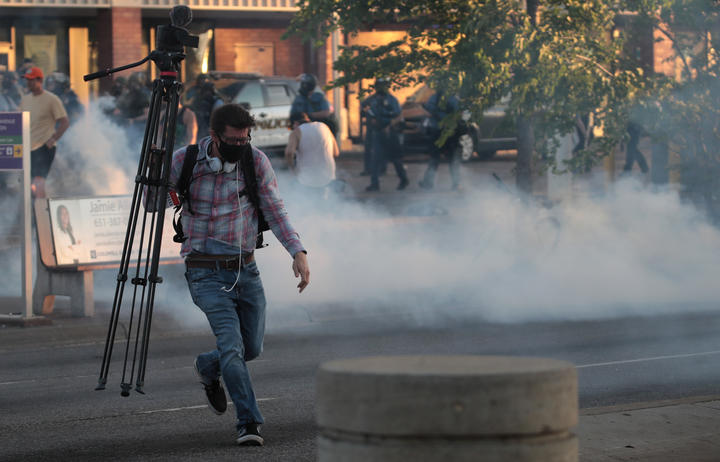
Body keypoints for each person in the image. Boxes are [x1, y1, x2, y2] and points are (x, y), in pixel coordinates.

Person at [167, 103, 310, 446]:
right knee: (232, 347)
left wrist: (298, 251)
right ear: (214, 137)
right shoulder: (184, 161)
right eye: (232, 140)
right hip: (204, 272)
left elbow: (275, 210)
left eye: (245, 139)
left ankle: (207, 366)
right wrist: (156, 179)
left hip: (246, 270)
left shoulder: (254, 160)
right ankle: (249, 423)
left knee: (251, 348)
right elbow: (148, 202)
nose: (239, 145)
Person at [19, 67, 69, 198]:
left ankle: (40, 214)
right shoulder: (25, 99)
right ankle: (32, 213)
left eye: (31, 80)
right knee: (27, 184)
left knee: (38, 182)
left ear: (40, 80)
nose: (28, 83)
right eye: (27, 80)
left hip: (43, 147)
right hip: (27, 148)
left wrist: (53, 139)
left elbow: (64, 122)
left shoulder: (52, 99)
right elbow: (19, 121)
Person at [361, 78, 408, 191]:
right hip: (378, 132)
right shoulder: (372, 99)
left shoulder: (392, 100)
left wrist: (389, 126)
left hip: (391, 132)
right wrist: (369, 116)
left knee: (396, 159)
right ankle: (375, 184)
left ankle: (403, 179)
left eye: (383, 85)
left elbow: (398, 116)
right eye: (379, 85)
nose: (380, 88)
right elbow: (364, 107)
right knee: (375, 159)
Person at [284, 112, 339, 199]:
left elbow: (289, 153)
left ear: (295, 123)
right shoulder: (324, 126)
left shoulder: (296, 132)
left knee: (292, 192)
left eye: (292, 126)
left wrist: (292, 169)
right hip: (328, 177)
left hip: (307, 180)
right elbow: (336, 152)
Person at [418, 90, 463, 190]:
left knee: (439, 159)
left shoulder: (436, 98)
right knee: (447, 159)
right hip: (444, 132)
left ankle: (430, 183)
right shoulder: (452, 98)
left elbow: (428, 112)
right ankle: (455, 183)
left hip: (444, 132)